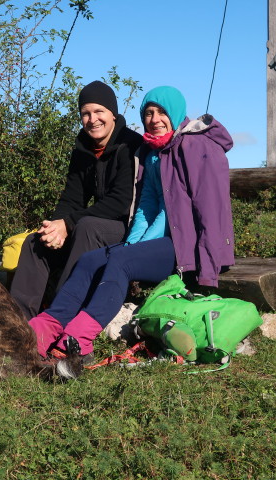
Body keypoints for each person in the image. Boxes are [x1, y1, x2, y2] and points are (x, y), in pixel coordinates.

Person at [28, 85, 235, 359]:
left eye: (162, 112)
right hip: (161, 242)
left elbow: (211, 208)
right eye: (148, 113)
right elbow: (148, 204)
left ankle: (80, 338)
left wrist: (208, 268)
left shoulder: (197, 146)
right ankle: (42, 329)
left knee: (121, 261)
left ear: (175, 113)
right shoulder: (153, 153)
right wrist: (132, 243)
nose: (155, 119)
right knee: (90, 260)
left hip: (186, 246)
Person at [10, 80, 143, 320]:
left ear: (113, 113)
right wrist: (54, 228)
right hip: (92, 224)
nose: (93, 119)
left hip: (129, 228)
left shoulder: (130, 145)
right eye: (85, 113)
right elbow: (72, 197)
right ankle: (19, 324)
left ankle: (60, 317)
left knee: (86, 226)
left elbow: (121, 202)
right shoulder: (83, 148)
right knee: (35, 241)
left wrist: (69, 223)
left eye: (99, 111)